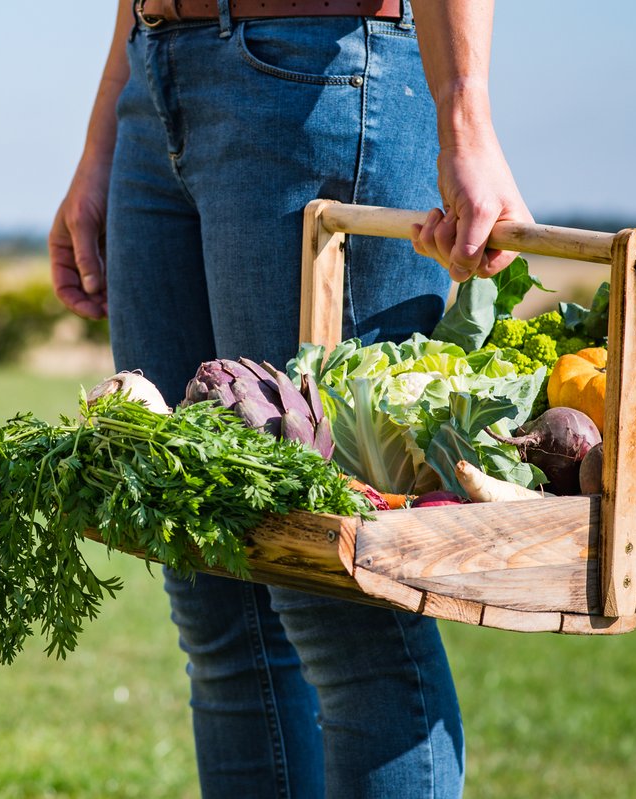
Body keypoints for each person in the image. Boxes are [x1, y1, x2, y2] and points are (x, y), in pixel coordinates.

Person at [50, 1, 531, 795]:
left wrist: (466, 115)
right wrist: (104, 138)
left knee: (344, 596)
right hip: (157, 71)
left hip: (316, 70)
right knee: (213, 589)